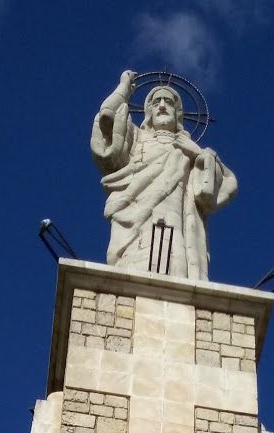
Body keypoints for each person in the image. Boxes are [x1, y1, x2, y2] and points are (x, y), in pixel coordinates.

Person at [90, 71, 237, 281]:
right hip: (133, 223)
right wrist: (123, 89)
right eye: (156, 102)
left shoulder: (190, 151)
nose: (161, 106)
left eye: (168, 102)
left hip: (176, 225)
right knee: (132, 274)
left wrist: (197, 153)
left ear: (178, 113)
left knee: (177, 273)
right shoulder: (136, 138)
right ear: (148, 111)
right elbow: (107, 120)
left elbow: (224, 188)